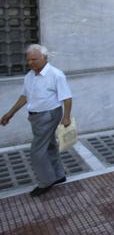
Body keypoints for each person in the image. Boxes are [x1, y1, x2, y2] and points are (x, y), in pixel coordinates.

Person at [1, 44, 72, 197]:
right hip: (35, 117)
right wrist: (10, 113)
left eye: (34, 59)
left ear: (45, 58)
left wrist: (66, 117)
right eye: (28, 60)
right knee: (49, 146)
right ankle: (58, 175)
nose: (31, 63)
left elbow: (66, 97)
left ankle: (46, 181)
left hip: (49, 115)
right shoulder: (30, 76)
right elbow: (24, 96)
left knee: (36, 151)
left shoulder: (56, 74)